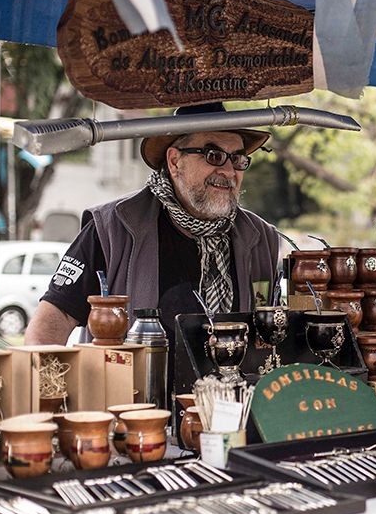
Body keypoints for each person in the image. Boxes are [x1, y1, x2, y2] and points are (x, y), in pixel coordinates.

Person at [24, 105, 280, 391]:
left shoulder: (261, 238)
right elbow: (51, 322)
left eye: (238, 158)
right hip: (136, 420)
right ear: (175, 161)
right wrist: (49, 402)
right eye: (214, 155)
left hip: (233, 416)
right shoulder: (113, 228)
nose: (229, 170)